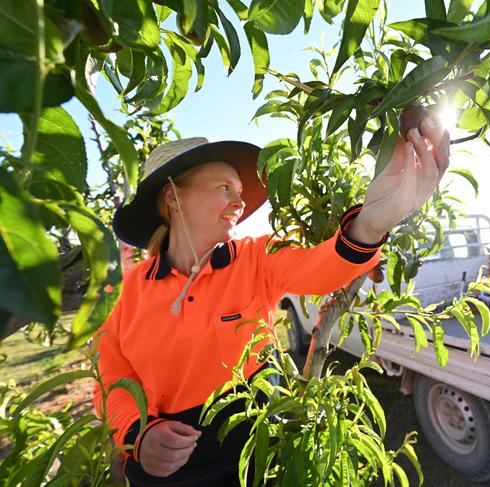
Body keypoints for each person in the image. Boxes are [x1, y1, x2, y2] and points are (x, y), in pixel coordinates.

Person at [93, 116, 450, 486]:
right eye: (224, 188)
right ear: (172, 196)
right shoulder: (125, 292)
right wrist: (137, 435)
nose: (239, 201)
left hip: (257, 457)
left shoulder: (254, 258)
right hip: (167, 470)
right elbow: (112, 381)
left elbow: (321, 268)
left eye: (239, 190)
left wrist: (372, 225)